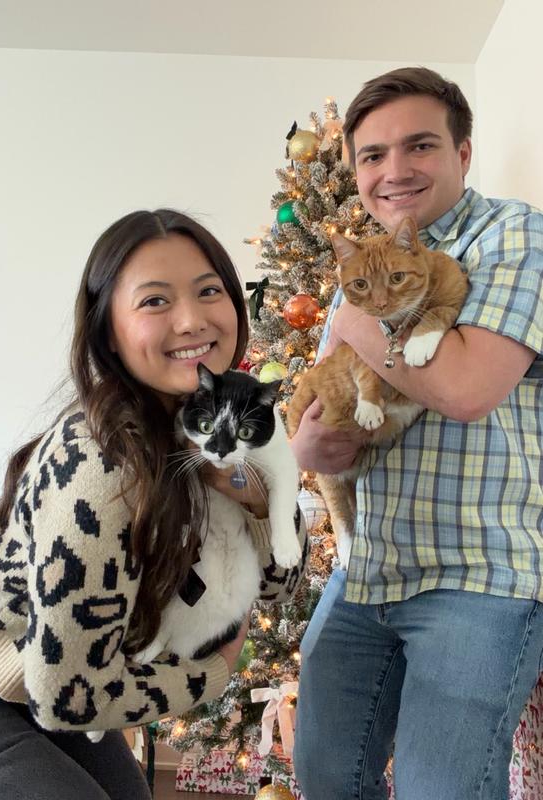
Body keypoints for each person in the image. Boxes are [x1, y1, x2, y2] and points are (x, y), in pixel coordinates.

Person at [0, 209, 307, 800]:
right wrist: (214, 671)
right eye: (155, 301)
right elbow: (67, 699)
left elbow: (280, 587)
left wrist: (256, 496)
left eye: (209, 291)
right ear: (108, 332)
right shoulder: (100, 464)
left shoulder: (217, 421)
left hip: (38, 669)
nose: (191, 320)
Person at [291, 67, 543, 799]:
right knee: (326, 778)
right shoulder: (361, 271)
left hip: (479, 575)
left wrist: (357, 322)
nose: (394, 171)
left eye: (420, 146)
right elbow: (326, 395)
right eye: (373, 155)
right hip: (367, 568)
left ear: (463, 152)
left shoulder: (515, 235)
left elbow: (466, 388)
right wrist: (308, 449)